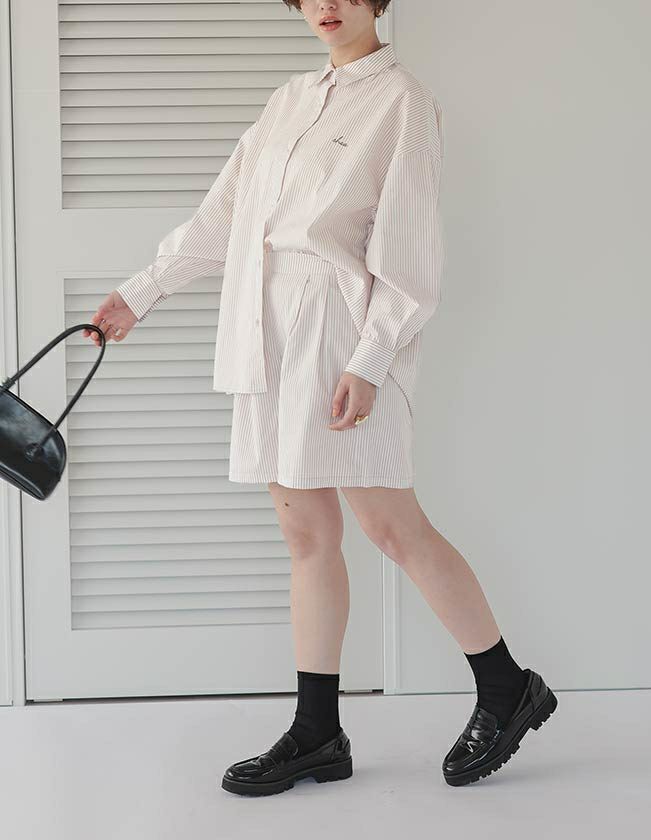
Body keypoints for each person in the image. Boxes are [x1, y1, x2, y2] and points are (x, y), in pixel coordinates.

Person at [84, 0, 557, 797]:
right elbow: (223, 218)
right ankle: (317, 733)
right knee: (305, 534)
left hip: (338, 340)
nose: (327, 6)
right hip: (263, 336)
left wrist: (370, 360)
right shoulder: (288, 101)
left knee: (392, 526)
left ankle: (507, 686)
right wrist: (139, 294)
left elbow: (410, 252)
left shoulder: (402, 102)